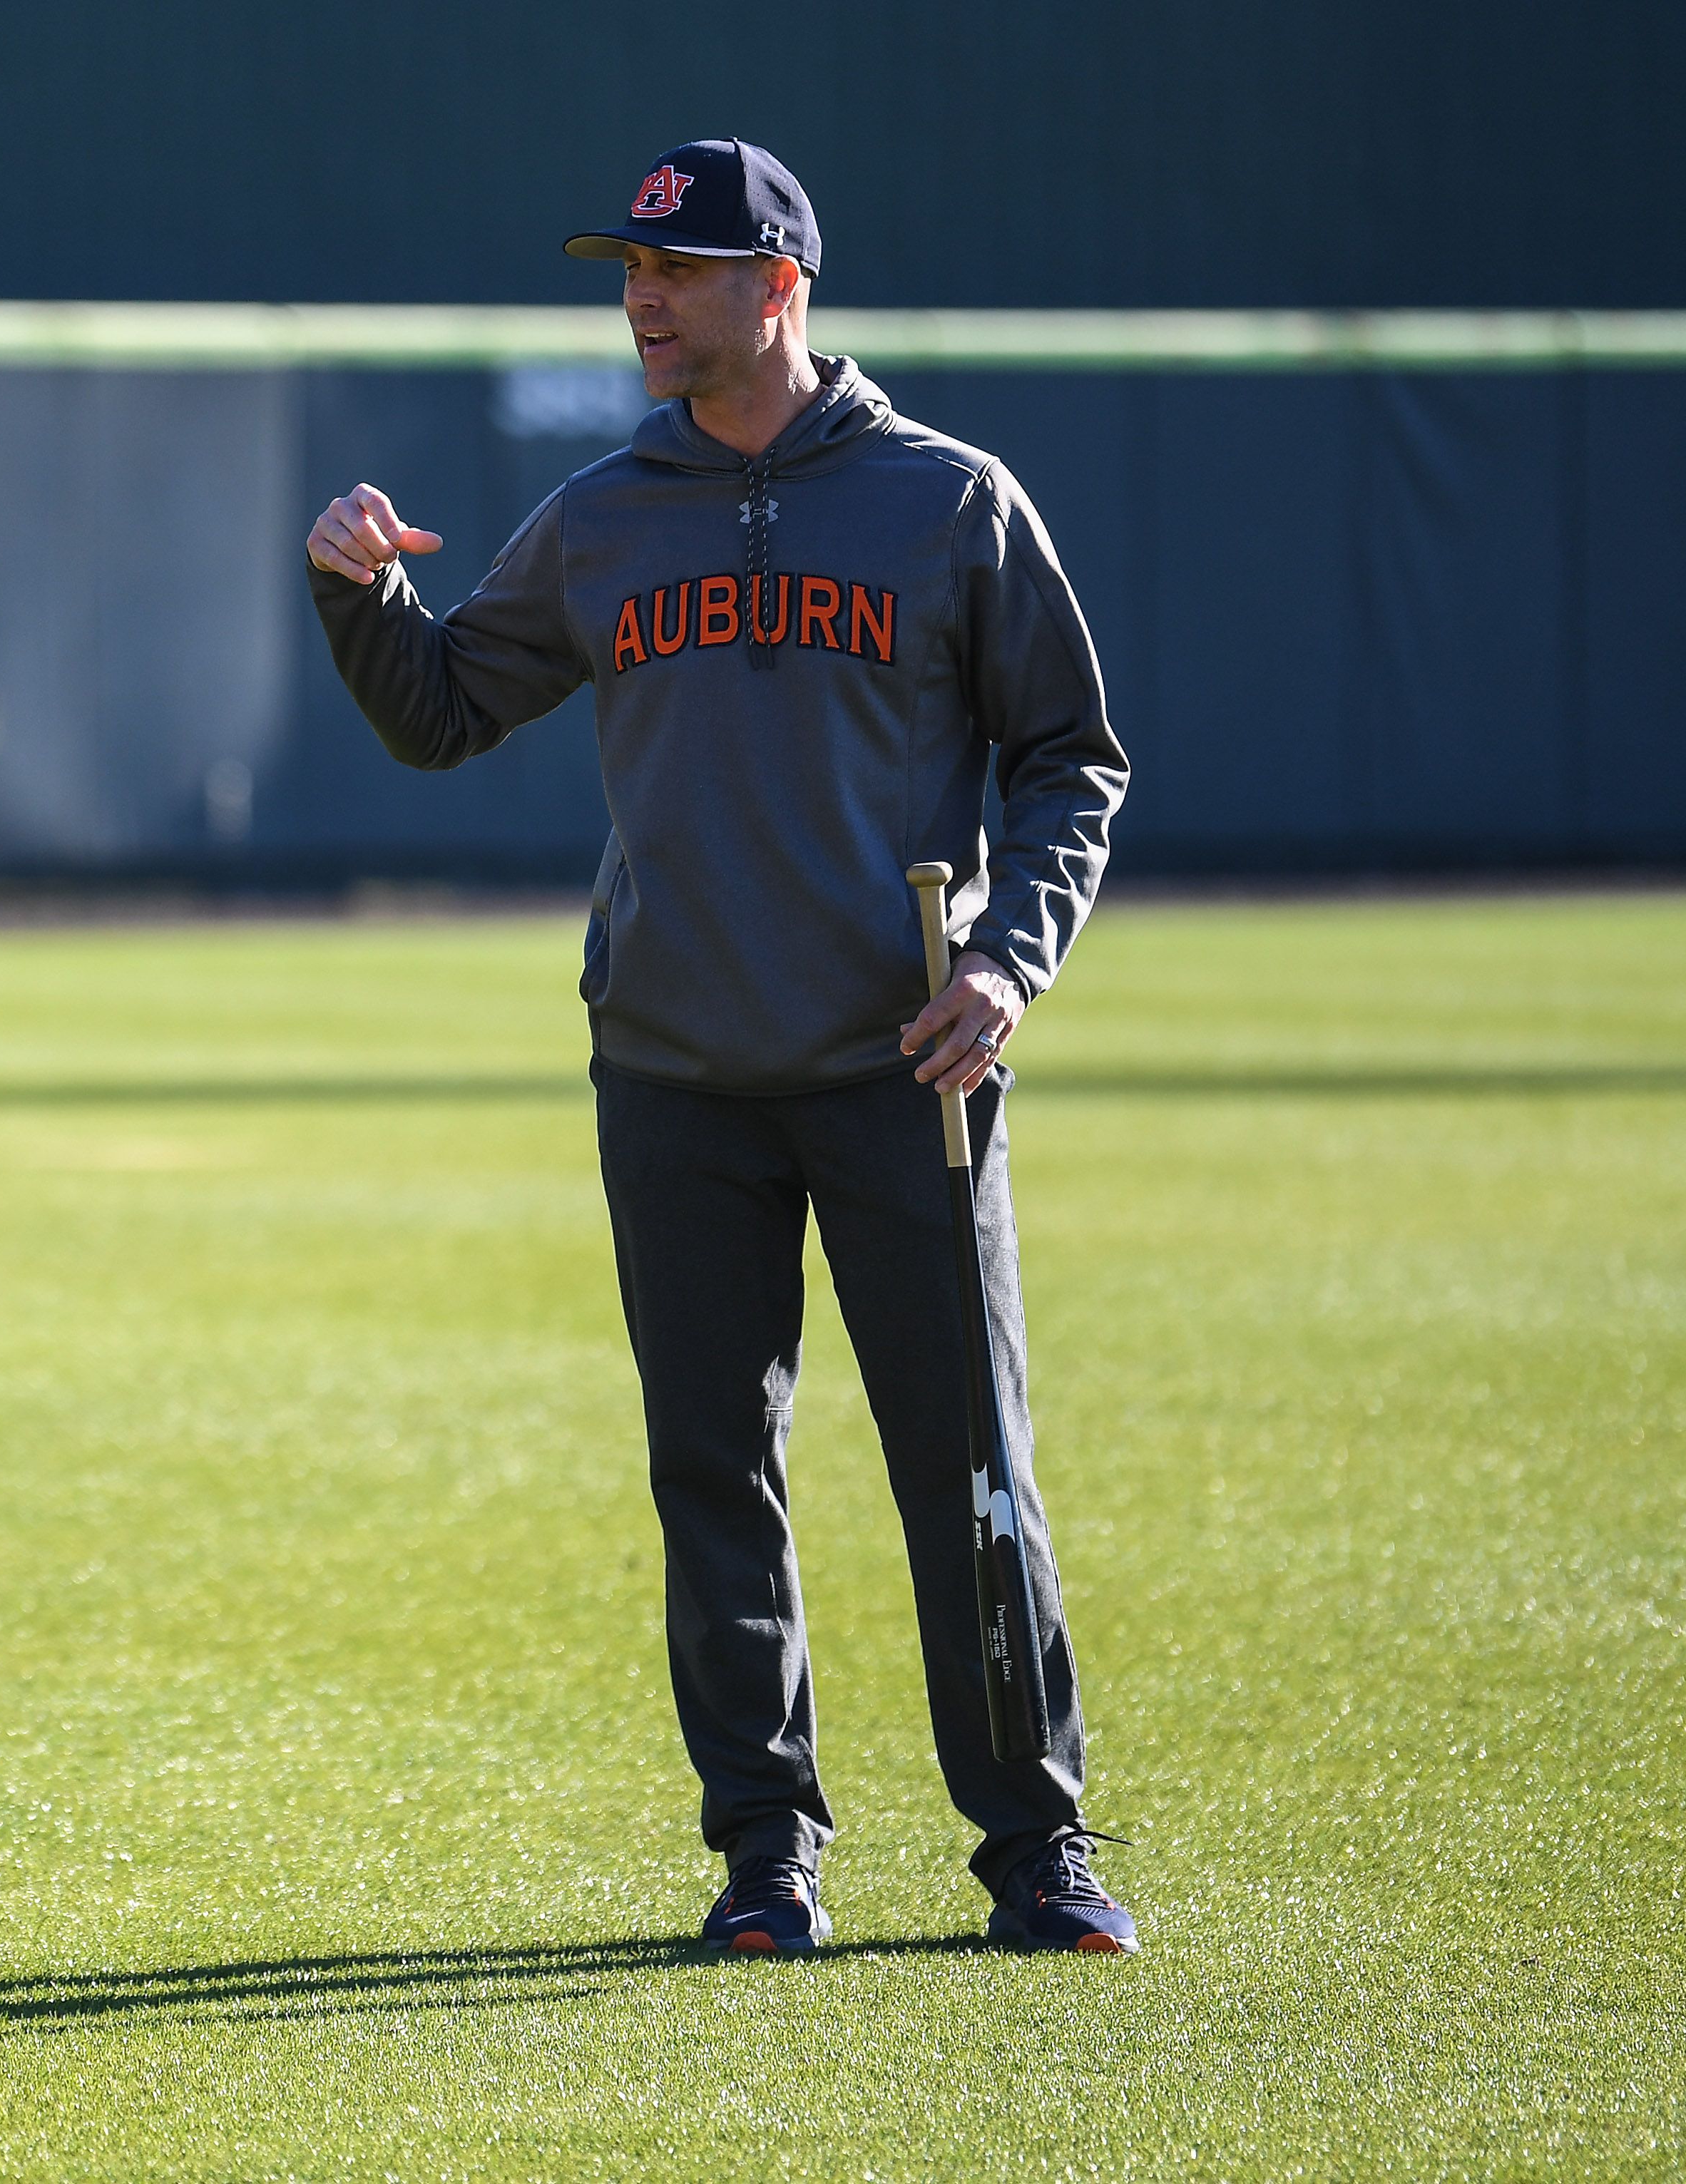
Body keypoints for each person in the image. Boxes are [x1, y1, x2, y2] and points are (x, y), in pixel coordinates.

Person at [304, 140, 1138, 1954]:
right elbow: (447, 713)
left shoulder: (944, 500)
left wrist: (1007, 960)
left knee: (969, 1464)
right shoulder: (606, 515)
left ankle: (1036, 1852)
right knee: (713, 1473)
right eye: (626, 268)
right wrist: (357, 598)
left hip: (902, 1064)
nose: (638, 296)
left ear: (778, 283)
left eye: (673, 270)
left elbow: (1070, 757)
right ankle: (765, 1854)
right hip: (674, 1074)